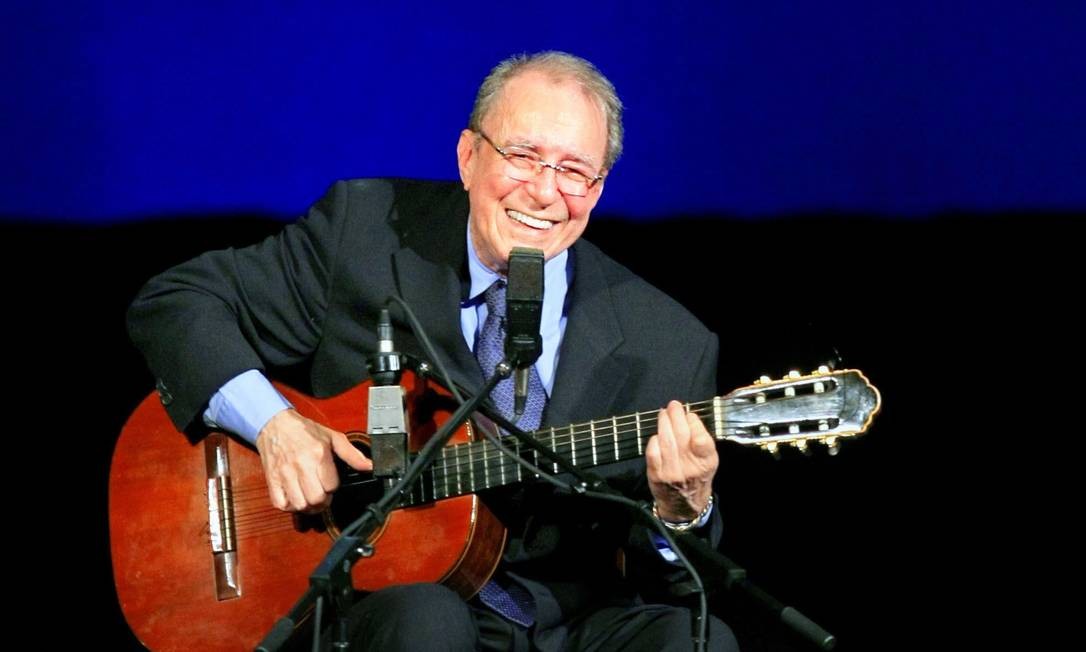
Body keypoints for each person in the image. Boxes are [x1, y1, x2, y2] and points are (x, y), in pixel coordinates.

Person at [128, 51, 739, 651]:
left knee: (700, 639)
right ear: (468, 157)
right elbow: (176, 303)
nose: (546, 193)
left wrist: (682, 511)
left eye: (575, 171)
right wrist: (274, 426)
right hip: (385, 606)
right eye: (523, 156)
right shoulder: (365, 232)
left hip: (564, 624)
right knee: (428, 620)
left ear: (598, 189)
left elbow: (681, 586)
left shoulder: (670, 342)